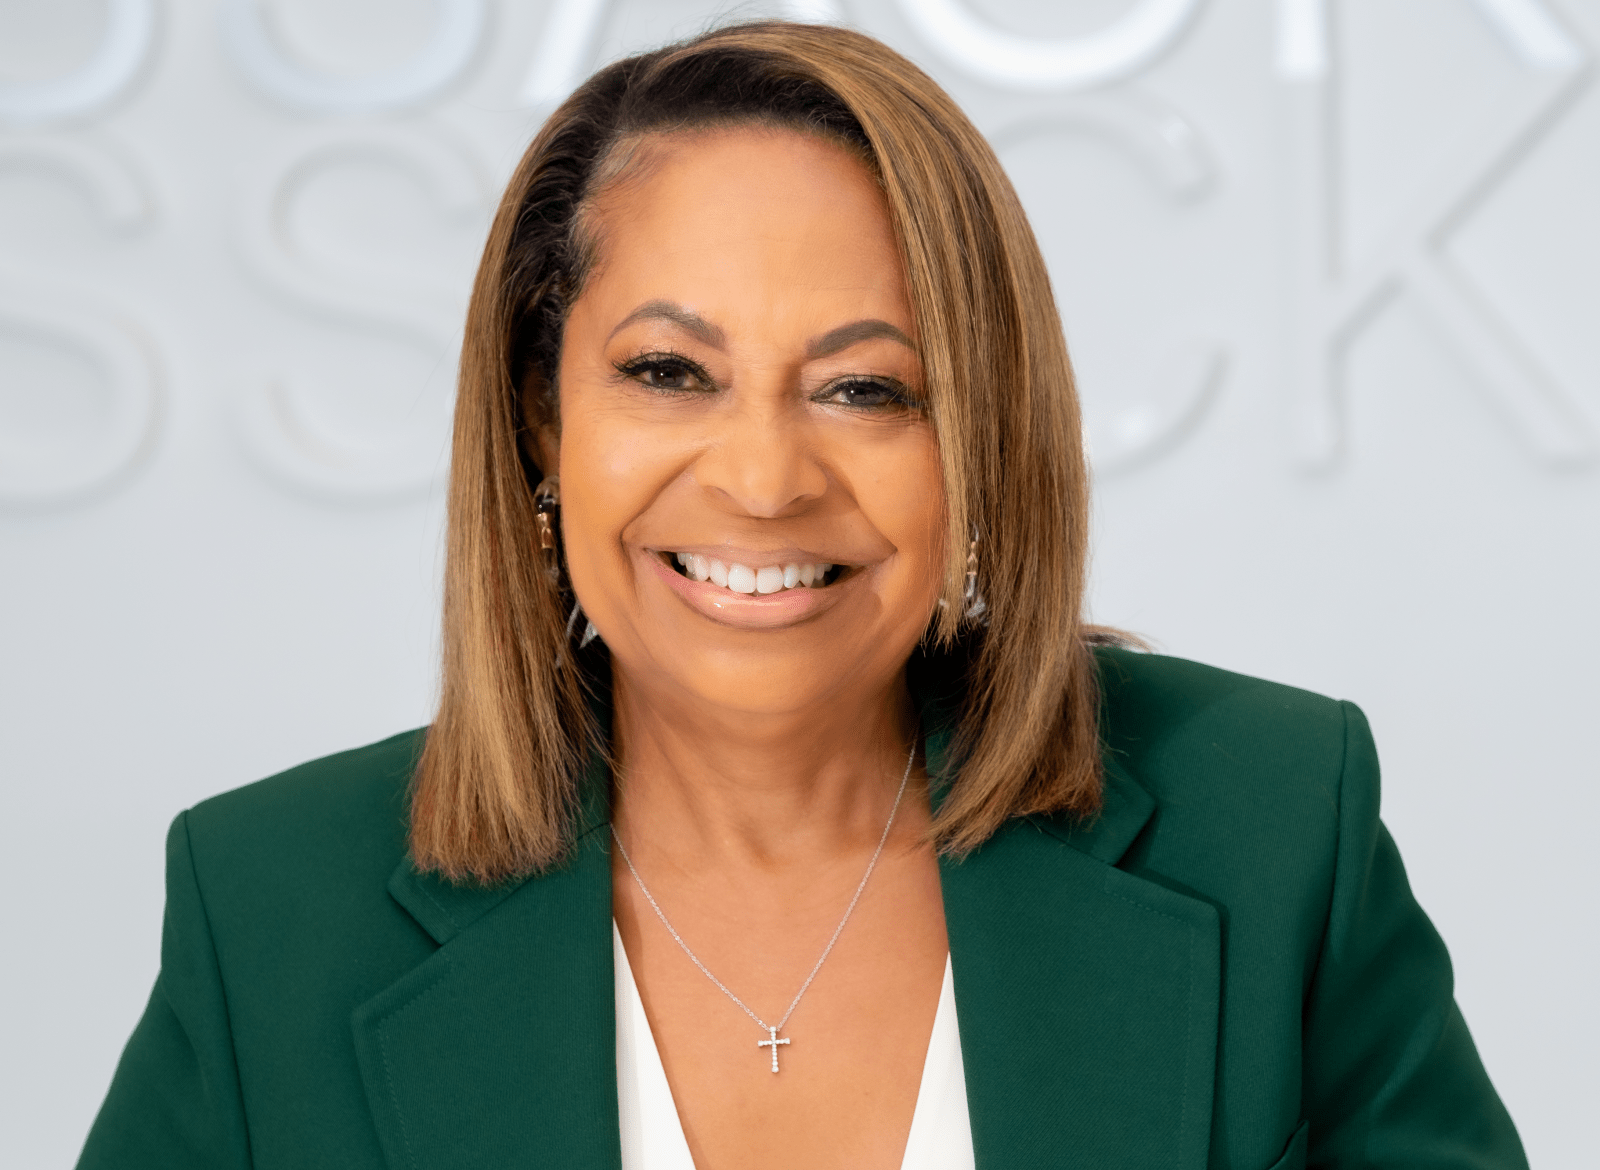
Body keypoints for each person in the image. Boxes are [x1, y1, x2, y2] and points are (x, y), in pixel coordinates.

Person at [77, 21, 1526, 1170]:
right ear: (539, 418)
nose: (764, 479)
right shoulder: (271, 908)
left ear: (976, 442)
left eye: (864, 388)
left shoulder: (1272, 826)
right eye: (668, 373)